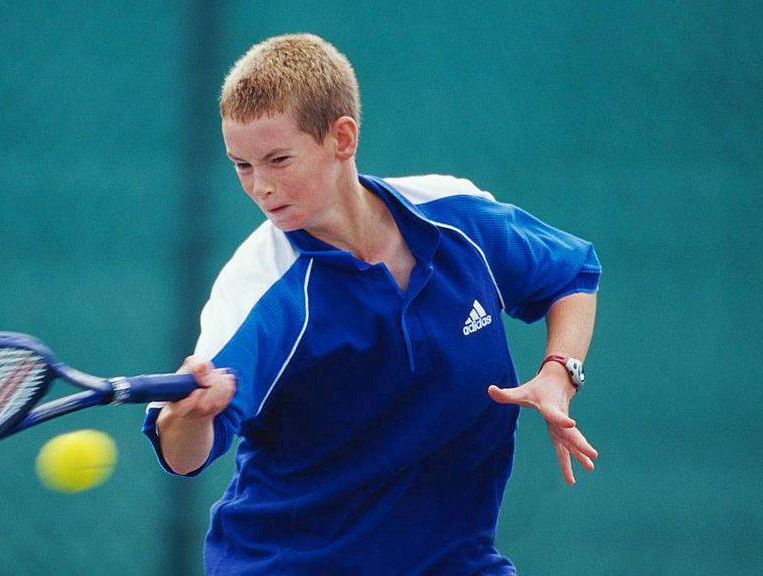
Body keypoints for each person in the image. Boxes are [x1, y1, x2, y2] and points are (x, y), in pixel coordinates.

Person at [142, 33, 600, 575]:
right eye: (242, 166)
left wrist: (558, 372)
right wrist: (190, 414)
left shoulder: (454, 216)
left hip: (456, 561)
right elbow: (182, 454)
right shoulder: (260, 288)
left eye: (278, 159)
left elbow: (572, 275)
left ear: (342, 137)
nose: (260, 186)